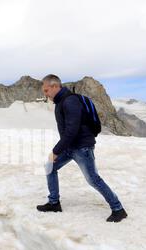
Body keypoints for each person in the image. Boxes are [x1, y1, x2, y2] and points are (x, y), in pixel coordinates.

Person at [36, 74, 128, 223]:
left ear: (54, 86)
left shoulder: (70, 101)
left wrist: (55, 151)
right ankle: (54, 203)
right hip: (70, 146)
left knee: (93, 180)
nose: (45, 94)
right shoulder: (61, 102)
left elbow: (72, 131)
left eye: (46, 90)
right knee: (50, 166)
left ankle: (118, 209)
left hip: (81, 148)